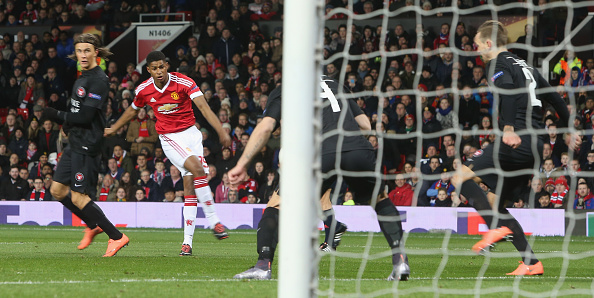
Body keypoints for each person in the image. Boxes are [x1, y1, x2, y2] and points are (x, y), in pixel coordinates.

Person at [230, 76, 409, 281]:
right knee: (379, 200)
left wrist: (242, 164)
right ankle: (400, 262)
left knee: (276, 205)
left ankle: (263, 265)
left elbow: (266, 127)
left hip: (319, 152)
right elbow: (365, 124)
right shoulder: (335, 85)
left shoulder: (287, 87)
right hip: (357, 147)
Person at [454, 21, 580, 276]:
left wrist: (509, 128)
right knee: (495, 201)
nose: (477, 50)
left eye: (478, 45)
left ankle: (493, 227)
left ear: (489, 44)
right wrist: (568, 130)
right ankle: (531, 263)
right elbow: (555, 98)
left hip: (518, 140)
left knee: (460, 176)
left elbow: (509, 93)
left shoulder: (496, 64)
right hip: (537, 146)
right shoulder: (527, 66)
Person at [105, 50, 232, 256]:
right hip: (170, 138)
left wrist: (221, 130)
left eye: (161, 67)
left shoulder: (184, 82)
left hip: (191, 135)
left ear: (167, 66)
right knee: (198, 169)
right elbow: (132, 110)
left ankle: (187, 244)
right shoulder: (144, 89)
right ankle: (215, 221)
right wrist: (113, 128)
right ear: (149, 70)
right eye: (154, 68)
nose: (159, 71)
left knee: (190, 185)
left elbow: (204, 108)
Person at [40, 33, 129, 257]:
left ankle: (117, 237)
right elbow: (78, 111)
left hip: (88, 144)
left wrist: (56, 115)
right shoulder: (82, 77)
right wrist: (69, 125)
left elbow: (87, 116)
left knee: (80, 197)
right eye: (79, 51)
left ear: (96, 53)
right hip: (76, 141)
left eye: (87, 50)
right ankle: (92, 224)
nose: (83, 55)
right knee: (57, 190)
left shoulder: (98, 80)